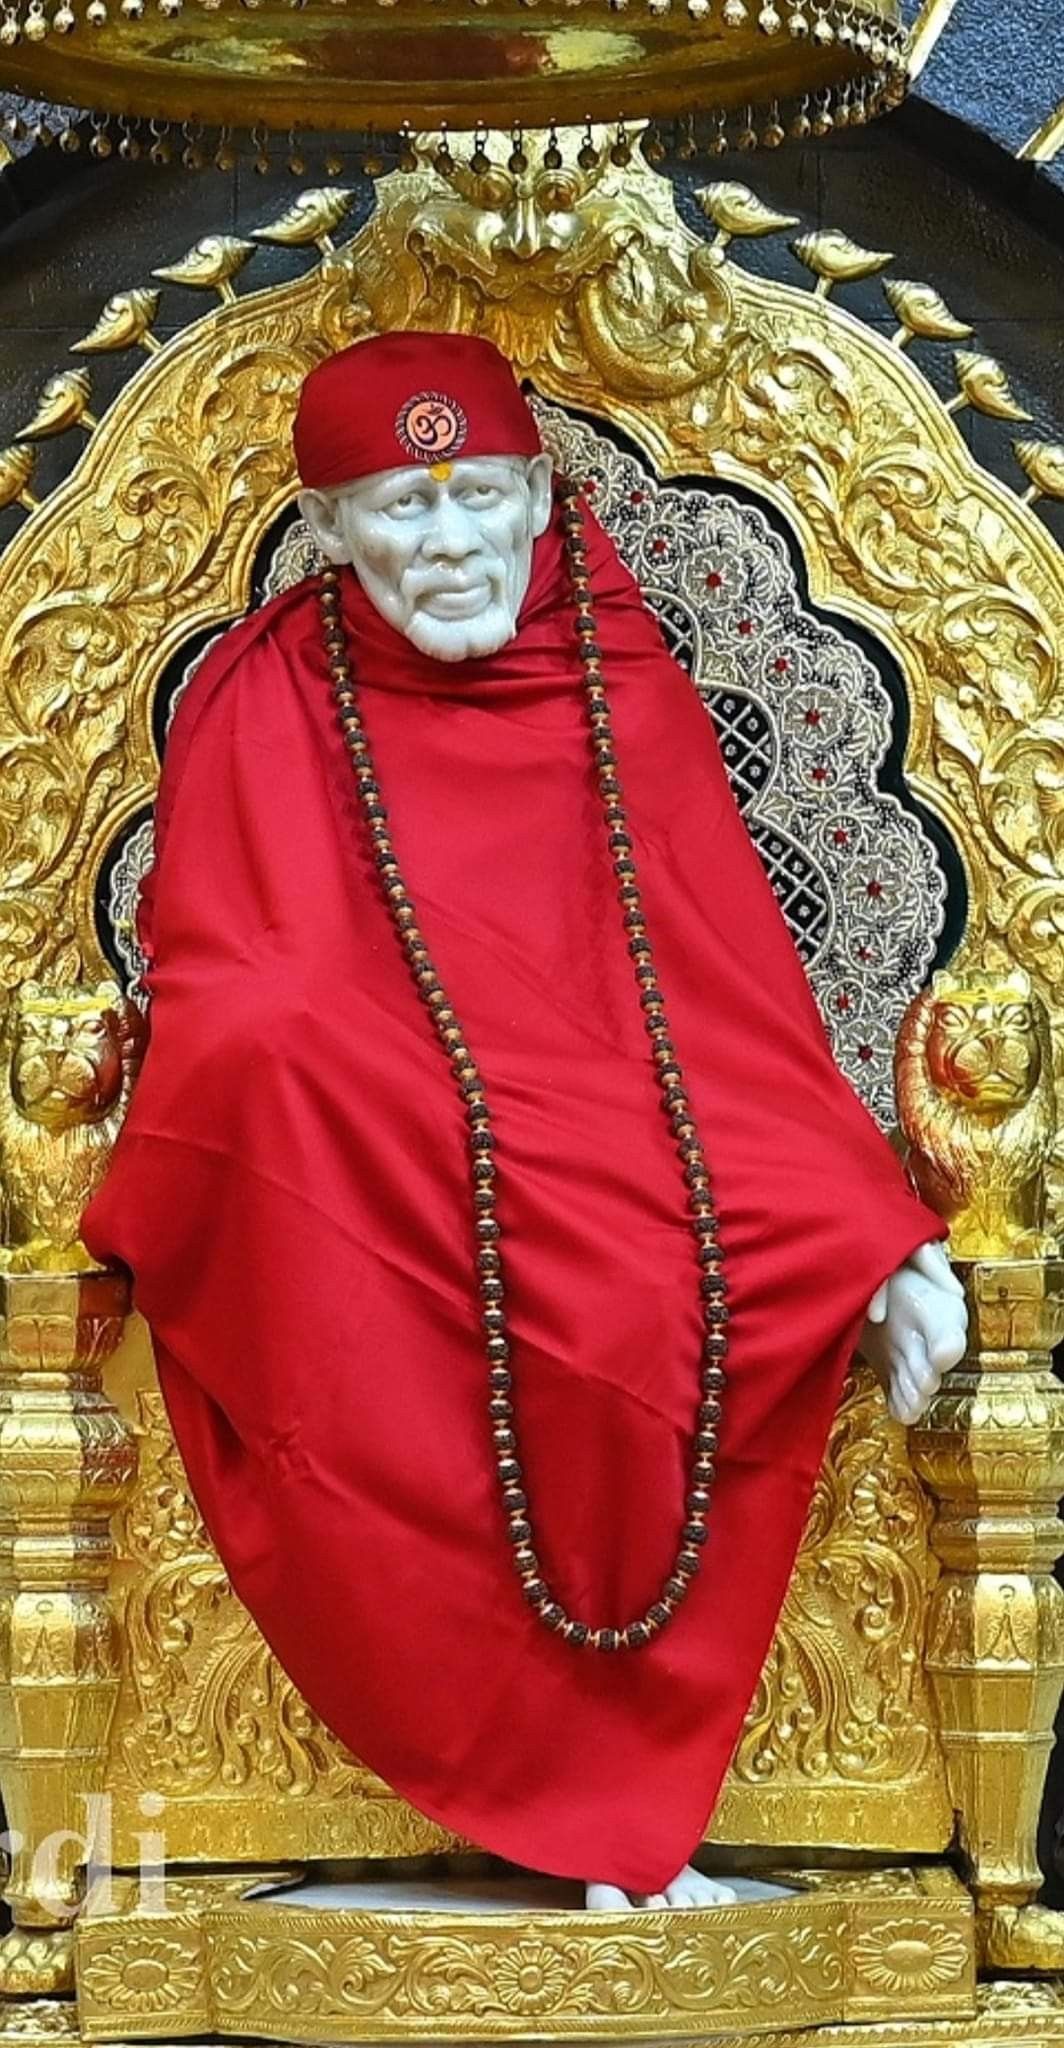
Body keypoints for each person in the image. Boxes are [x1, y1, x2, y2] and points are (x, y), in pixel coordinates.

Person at [81, 332, 967, 1912]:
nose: (451, 544)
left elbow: (731, 996)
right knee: (285, 1070)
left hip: (632, 1127)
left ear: (542, 502)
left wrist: (873, 1230)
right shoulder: (269, 690)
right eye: (403, 509)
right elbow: (238, 984)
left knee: (671, 1270)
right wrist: (391, 1084)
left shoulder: (617, 671)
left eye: (481, 497)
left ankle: (618, 1790)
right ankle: (540, 1784)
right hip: (360, 1156)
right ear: (333, 528)